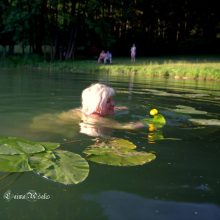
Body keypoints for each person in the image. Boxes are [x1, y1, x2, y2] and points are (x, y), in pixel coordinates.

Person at [31, 83, 144, 137]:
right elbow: (127, 126)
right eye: (108, 101)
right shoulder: (96, 119)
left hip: (49, 119)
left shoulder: (85, 110)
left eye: (112, 100)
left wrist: (115, 108)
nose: (113, 103)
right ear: (96, 106)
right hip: (46, 127)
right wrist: (147, 123)